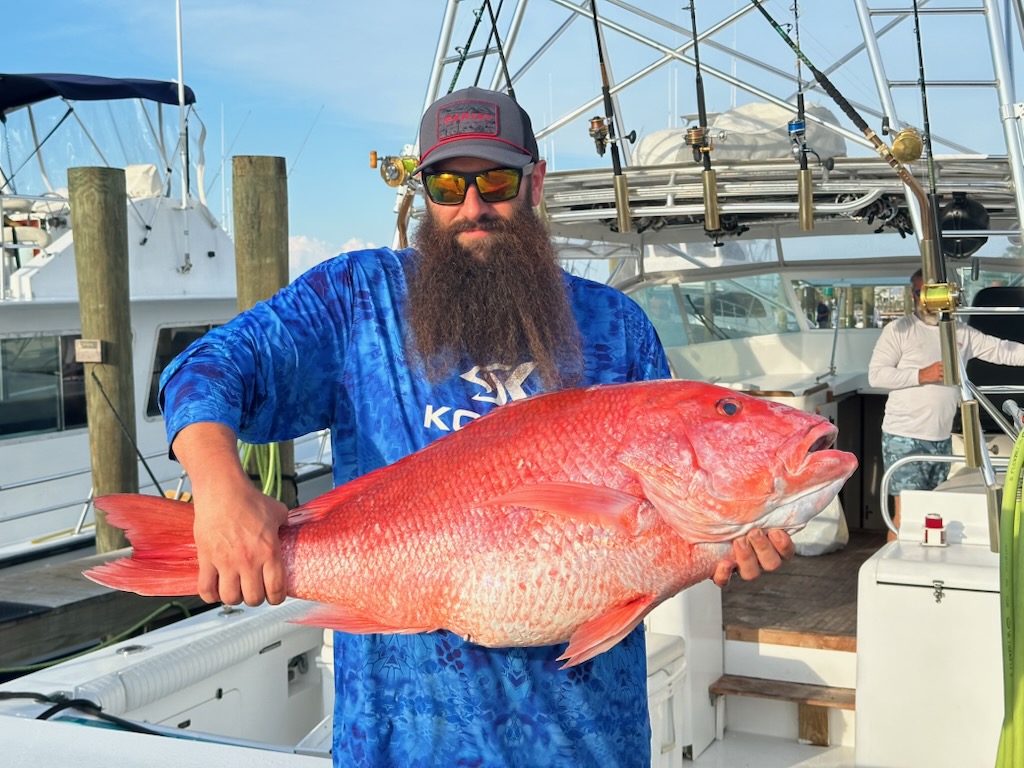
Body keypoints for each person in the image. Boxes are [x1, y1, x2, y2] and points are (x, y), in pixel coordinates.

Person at [159, 86, 794, 768]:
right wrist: (220, 490)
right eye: (446, 183)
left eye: (496, 179)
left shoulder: (619, 328)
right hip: (400, 747)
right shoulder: (358, 302)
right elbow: (207, 366)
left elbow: (651, 533)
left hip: (588, 747)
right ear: (423, 191)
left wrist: (722, 543)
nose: (472, 205)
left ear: (536, 182)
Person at [868, 268, 1024, 541]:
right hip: (903, 437)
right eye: (919, 293)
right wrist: (921, 374)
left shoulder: (960, 333)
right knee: (904, 517)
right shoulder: (899, 329)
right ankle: (896, 570)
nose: (926, 299)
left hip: (941, 438)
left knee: (933, 513)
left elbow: (1004, 351)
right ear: (913, 294)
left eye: (932, 293)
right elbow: (876, 375)